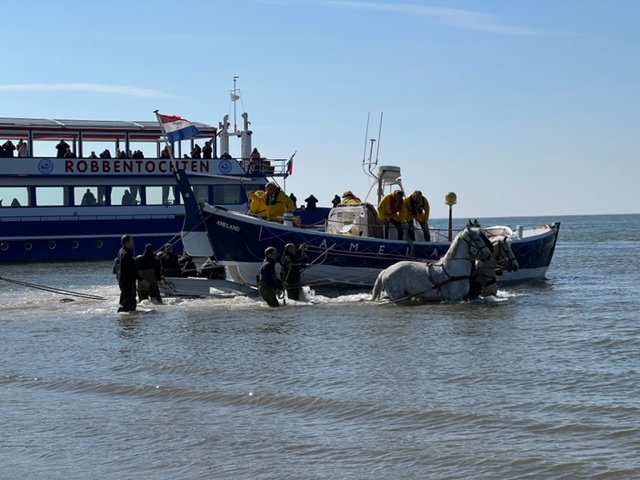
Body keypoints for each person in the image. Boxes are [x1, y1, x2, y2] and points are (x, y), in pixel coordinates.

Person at [115, 235, 148, 312]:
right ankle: (126, 320)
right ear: (127, 243)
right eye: (131, 241)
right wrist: (141, 280)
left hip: (123, 280)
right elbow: (131, 271)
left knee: (128, 301)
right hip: (128, 282)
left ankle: (130, 320)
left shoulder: (121, 251)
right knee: (128, 303)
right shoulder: (126, 255)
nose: (133, 243)